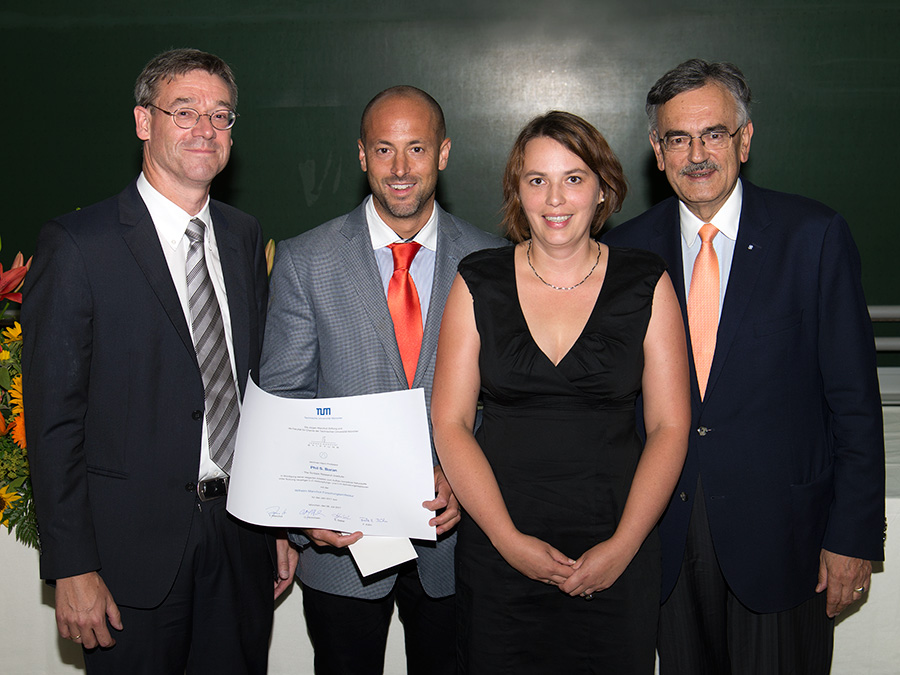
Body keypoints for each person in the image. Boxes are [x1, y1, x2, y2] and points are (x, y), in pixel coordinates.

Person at [603, 59, 885, 674]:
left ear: (746, 140)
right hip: (665, 537)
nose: (697, 153)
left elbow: (855, 403)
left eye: (715, 134)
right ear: (657, 150)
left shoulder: (813, 237)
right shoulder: (623, 253)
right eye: (678, 138)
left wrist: (853, 538)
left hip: (786, 539)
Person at [22, 48, 297, 675]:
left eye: (221, 115)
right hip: (128, 559)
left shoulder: (243, 235)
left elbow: (255, 390)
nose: (206, 129)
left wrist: (276, 519)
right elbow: (53, 419)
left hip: (241, 538)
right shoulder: (76, 245)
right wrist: (72, 566)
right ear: (144, 122)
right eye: (185, 111)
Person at [431, 111, 691, 673]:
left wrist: (621, 549)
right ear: (517, 192)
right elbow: (449, 421)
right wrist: (507, 540)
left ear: (602, 190)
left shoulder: (648, 280)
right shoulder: (478, 279)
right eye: (536, 180)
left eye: (574, 178)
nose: (555, 198)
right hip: (500, 551)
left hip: (616, 552)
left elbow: (670, 427)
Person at [259, 85, 504, 674]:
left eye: (416, 149)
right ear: (362, 156)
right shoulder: (305, 260)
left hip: (455, 545)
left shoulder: (492, 260)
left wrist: (466, 475)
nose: (400, 169)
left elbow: (505, 401)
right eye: (384, 150)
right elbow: (285, 400)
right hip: (341, 549)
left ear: (442, 153)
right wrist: (306, 512)